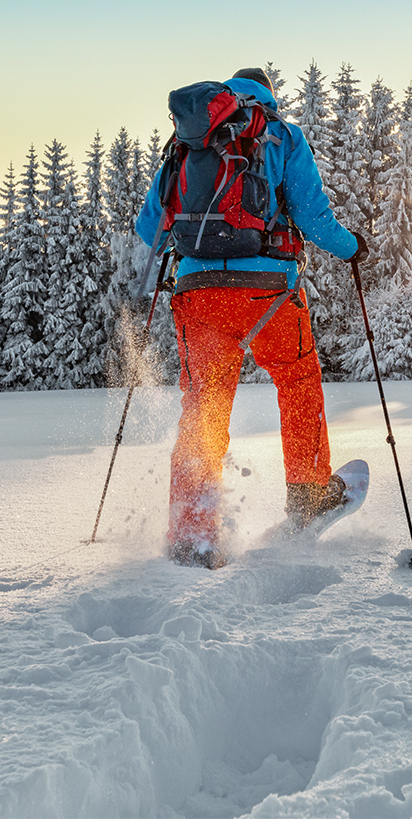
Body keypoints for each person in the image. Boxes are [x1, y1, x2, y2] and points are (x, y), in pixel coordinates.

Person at [135, 67, 366, 568]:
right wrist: (352, 248)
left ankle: (192, 534)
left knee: (204, 406)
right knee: (297, 379)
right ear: (269, 96)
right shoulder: (280, 134)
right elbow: (312, 216)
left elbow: (149, 226)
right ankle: (308, 494)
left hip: (198, 295)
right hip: (268, 294)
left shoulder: (186, 142)